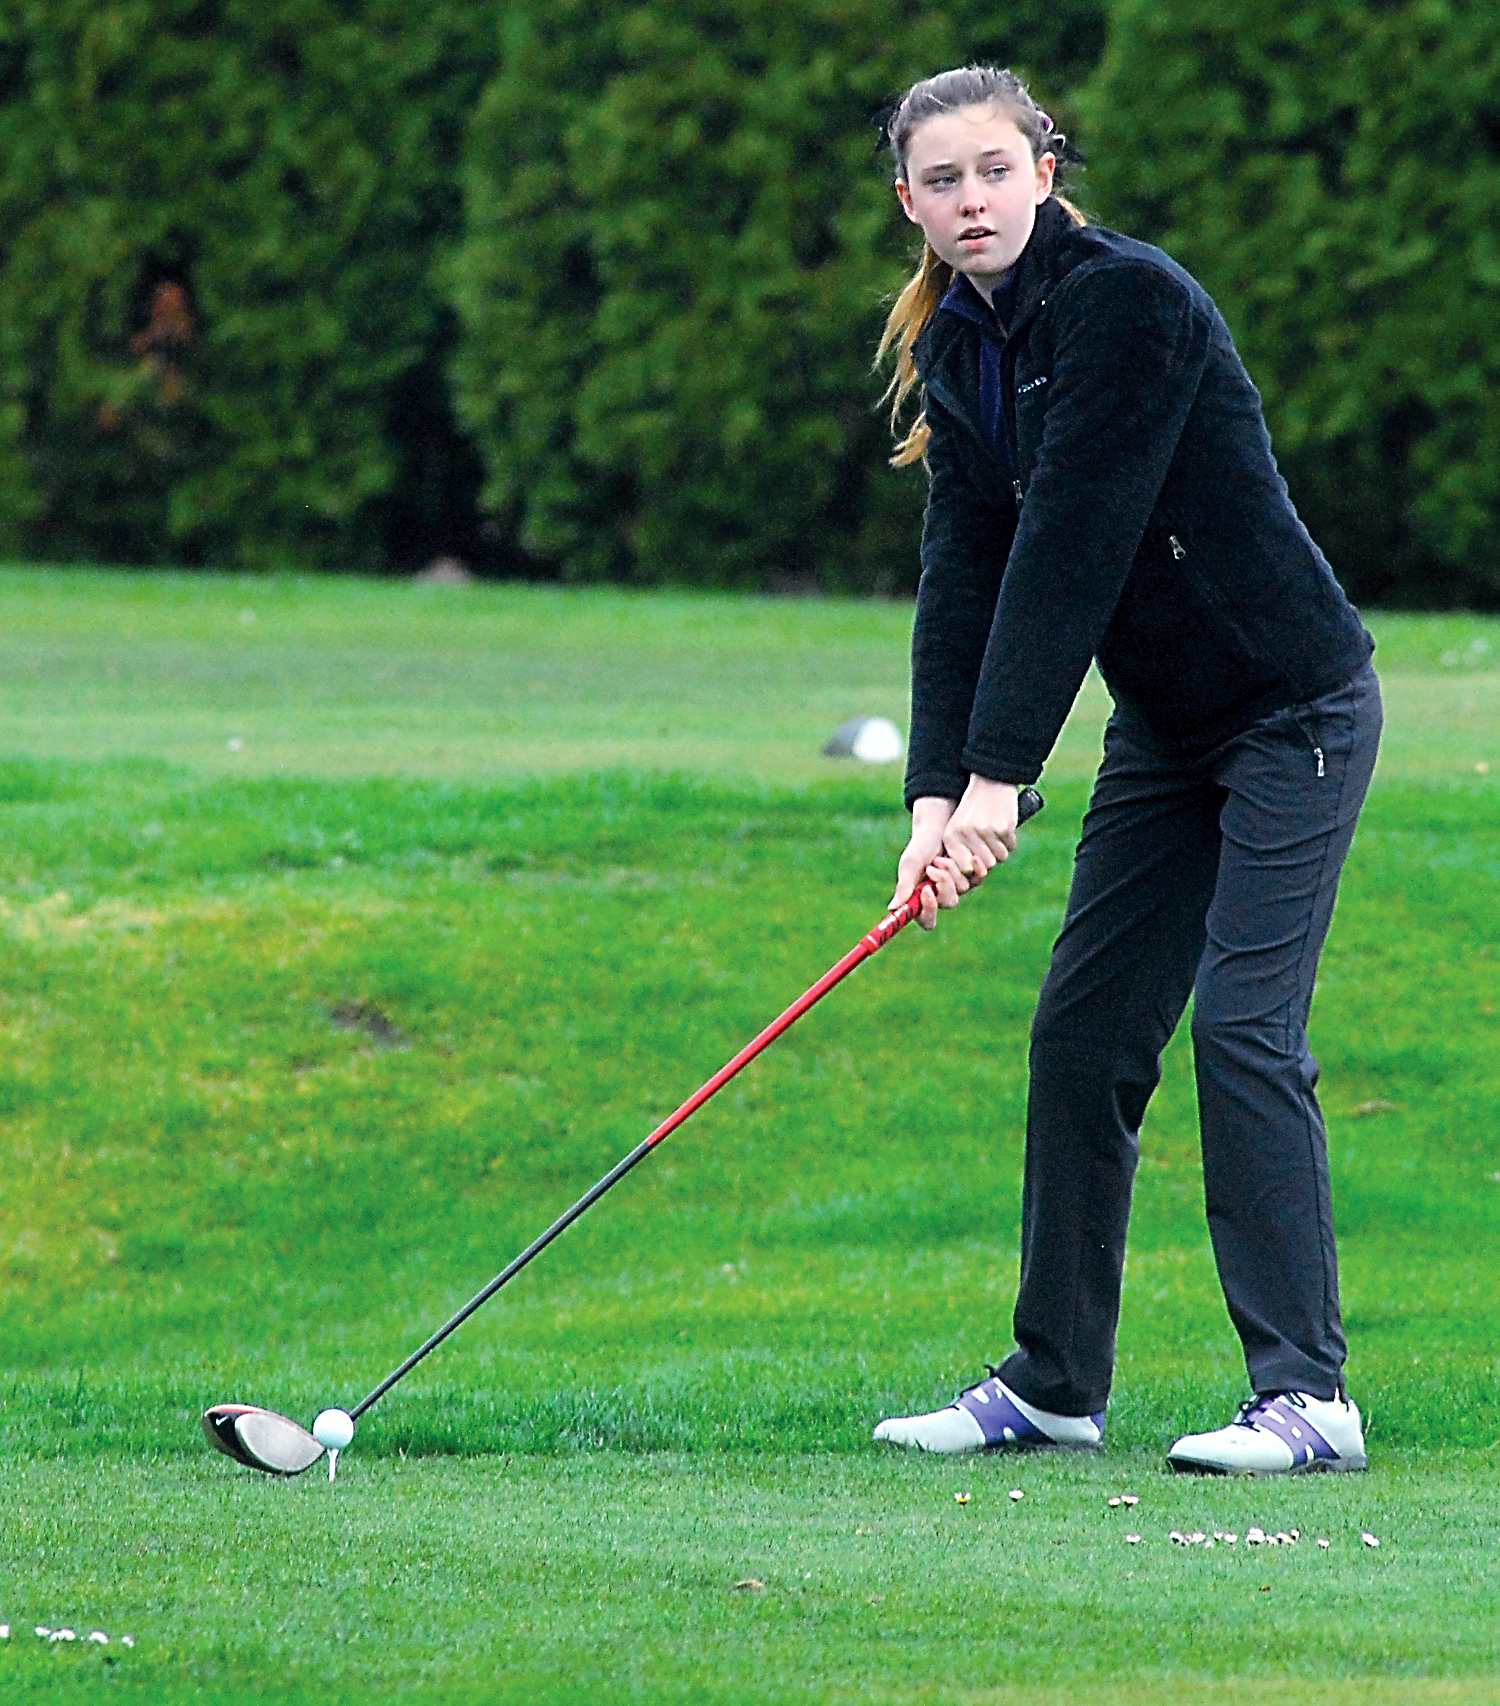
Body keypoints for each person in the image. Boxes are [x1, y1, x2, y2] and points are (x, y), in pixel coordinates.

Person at [868, 66, 1380, 1475]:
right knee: (1082, 1037)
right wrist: (932, 798)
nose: (971, 201)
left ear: (1042, 166)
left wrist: (1000, 782)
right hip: (1168, 730)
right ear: (906, 200)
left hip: (1294, 707)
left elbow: (1075, 544)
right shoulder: (960, 346)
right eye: (940, 181)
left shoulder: (1128, 304)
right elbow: (965, 570)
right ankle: (1051, 1382)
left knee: (1243, 1029)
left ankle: (1309, 1396)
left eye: (993, 170)